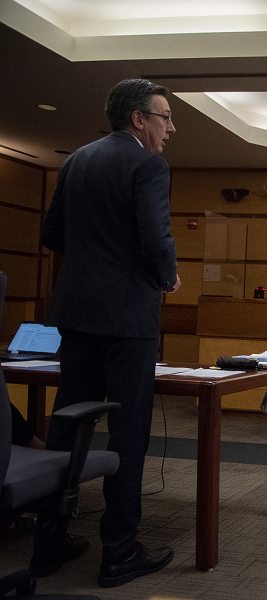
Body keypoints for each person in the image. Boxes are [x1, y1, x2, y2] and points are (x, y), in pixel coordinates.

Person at [32, 78, 181, 588]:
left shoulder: (76, 160)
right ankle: (119, 552)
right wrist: (167, 276)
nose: (170, 128)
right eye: (164, 117)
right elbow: (155, 237)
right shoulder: (148, 164)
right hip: (127, 321)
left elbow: (51, 234)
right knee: (128, 434)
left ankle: (48, 541)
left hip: (75, 316)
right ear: (138, 118)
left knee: (68, 426)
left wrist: (91, 261)